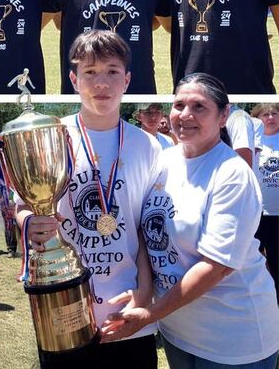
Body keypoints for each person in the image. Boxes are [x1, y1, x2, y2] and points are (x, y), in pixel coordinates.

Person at [104, 73, 279, 368]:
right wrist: (145, 292)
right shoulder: (164, 160)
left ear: (223, 116)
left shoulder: (232, 173)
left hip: (233, 340)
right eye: (179, 104)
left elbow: (215, 267)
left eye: (199, 106)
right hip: (178, 332)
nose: (185, 115)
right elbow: (146, 233)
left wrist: (152, 312)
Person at [16, 30, 161, 368]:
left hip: (126, 306)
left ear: (127, 80)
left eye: (112, 71)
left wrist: (143, 293)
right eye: (90, 72)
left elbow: (145, 231)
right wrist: (29, 222)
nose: (101, 83)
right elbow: (24, 206)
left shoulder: (149, 147)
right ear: (73, 79)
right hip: (63, 303)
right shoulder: (51, 136)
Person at [252, 103, 279, 302]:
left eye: (274, 113)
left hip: (277, 214)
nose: (270, 117)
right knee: (253, 262)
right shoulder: (251, 140)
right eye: (265, 114)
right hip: (256, 214)